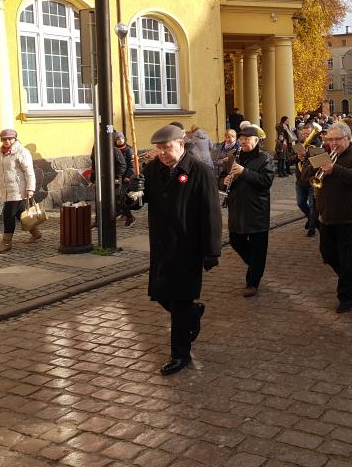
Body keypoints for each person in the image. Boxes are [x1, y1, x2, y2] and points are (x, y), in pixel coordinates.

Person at [126, 125, 221, 375]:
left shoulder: (199, 171)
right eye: (158, 149)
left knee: (178, 302)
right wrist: (132, 191)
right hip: (161, 244)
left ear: (180, 144)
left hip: (188, 247)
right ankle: (193, 312)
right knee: (159, 293)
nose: (162, 153)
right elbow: (137, 203)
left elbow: (211, 213)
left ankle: (180, 355)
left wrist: (212, 250)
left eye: (166, 148)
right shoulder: (153, 169)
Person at [304, 122, 352, 312]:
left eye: (337, 140)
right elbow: (305, 180)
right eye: (329, 139)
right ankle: (348, 278)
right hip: (326, 215)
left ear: (348, 139)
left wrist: (335, 169)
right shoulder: (322, 155)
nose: (332, 143)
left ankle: (346, 296)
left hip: (349, 216)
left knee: (347, 258)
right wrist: (307, 163)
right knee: (328, 254)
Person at [222, 125, 275, 297]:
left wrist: (244, 172)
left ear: (256, 140)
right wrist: (224, 180)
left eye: (247, 139)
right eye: (241, 139)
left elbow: (266, 181)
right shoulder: (233, 156)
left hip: (257, 209)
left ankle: (252, 282)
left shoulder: (265, 158)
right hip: (237, 207)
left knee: (258, 246)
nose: (243, 142)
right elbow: (221, 178)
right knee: (236, 240)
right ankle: (256, 266)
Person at [0, 129, 37, 252]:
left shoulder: (22, 152)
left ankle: (6, 243)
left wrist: (30, 188)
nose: (7, 141)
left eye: (10, 139)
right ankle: (35, 232)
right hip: (5, 188)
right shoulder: (0, 152)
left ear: (15, 139)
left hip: (18, 188)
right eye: (4, 139)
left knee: (8, 214)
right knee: (19, 213)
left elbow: (29, 172)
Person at [295, 121, 323, 237]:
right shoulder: (299, 143)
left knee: (313, 206)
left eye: (308, 134)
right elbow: (290, 159)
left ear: (313, 132)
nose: (306, 136)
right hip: (300, 180)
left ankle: (312, 228)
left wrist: (306, 156)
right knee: (301, 203)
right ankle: (312, 219)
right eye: (304, 134)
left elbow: (319, 161)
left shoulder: (317, 144)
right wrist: (297, 157)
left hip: (312, 180)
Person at [114, 132, 136, 227]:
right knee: (116, 197)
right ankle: (123, 213)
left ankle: (130, 217)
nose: (120, 140)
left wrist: (128, 176)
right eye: (118, 139)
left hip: (126, 178)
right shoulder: (114, 149)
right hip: (117, 177)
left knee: (122, 197)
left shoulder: (128, 150)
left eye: (121, 139)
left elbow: (131, 166)